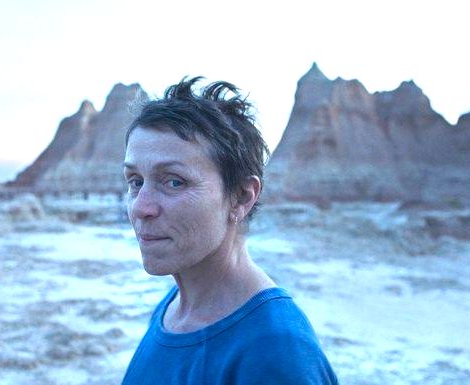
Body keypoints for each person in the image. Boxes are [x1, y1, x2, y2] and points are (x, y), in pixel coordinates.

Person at [121, 77, 338, 385]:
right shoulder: (174, 308)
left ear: (241, 197)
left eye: (174, 182)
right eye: (135, 181)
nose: (141, 208)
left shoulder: (274, 351)